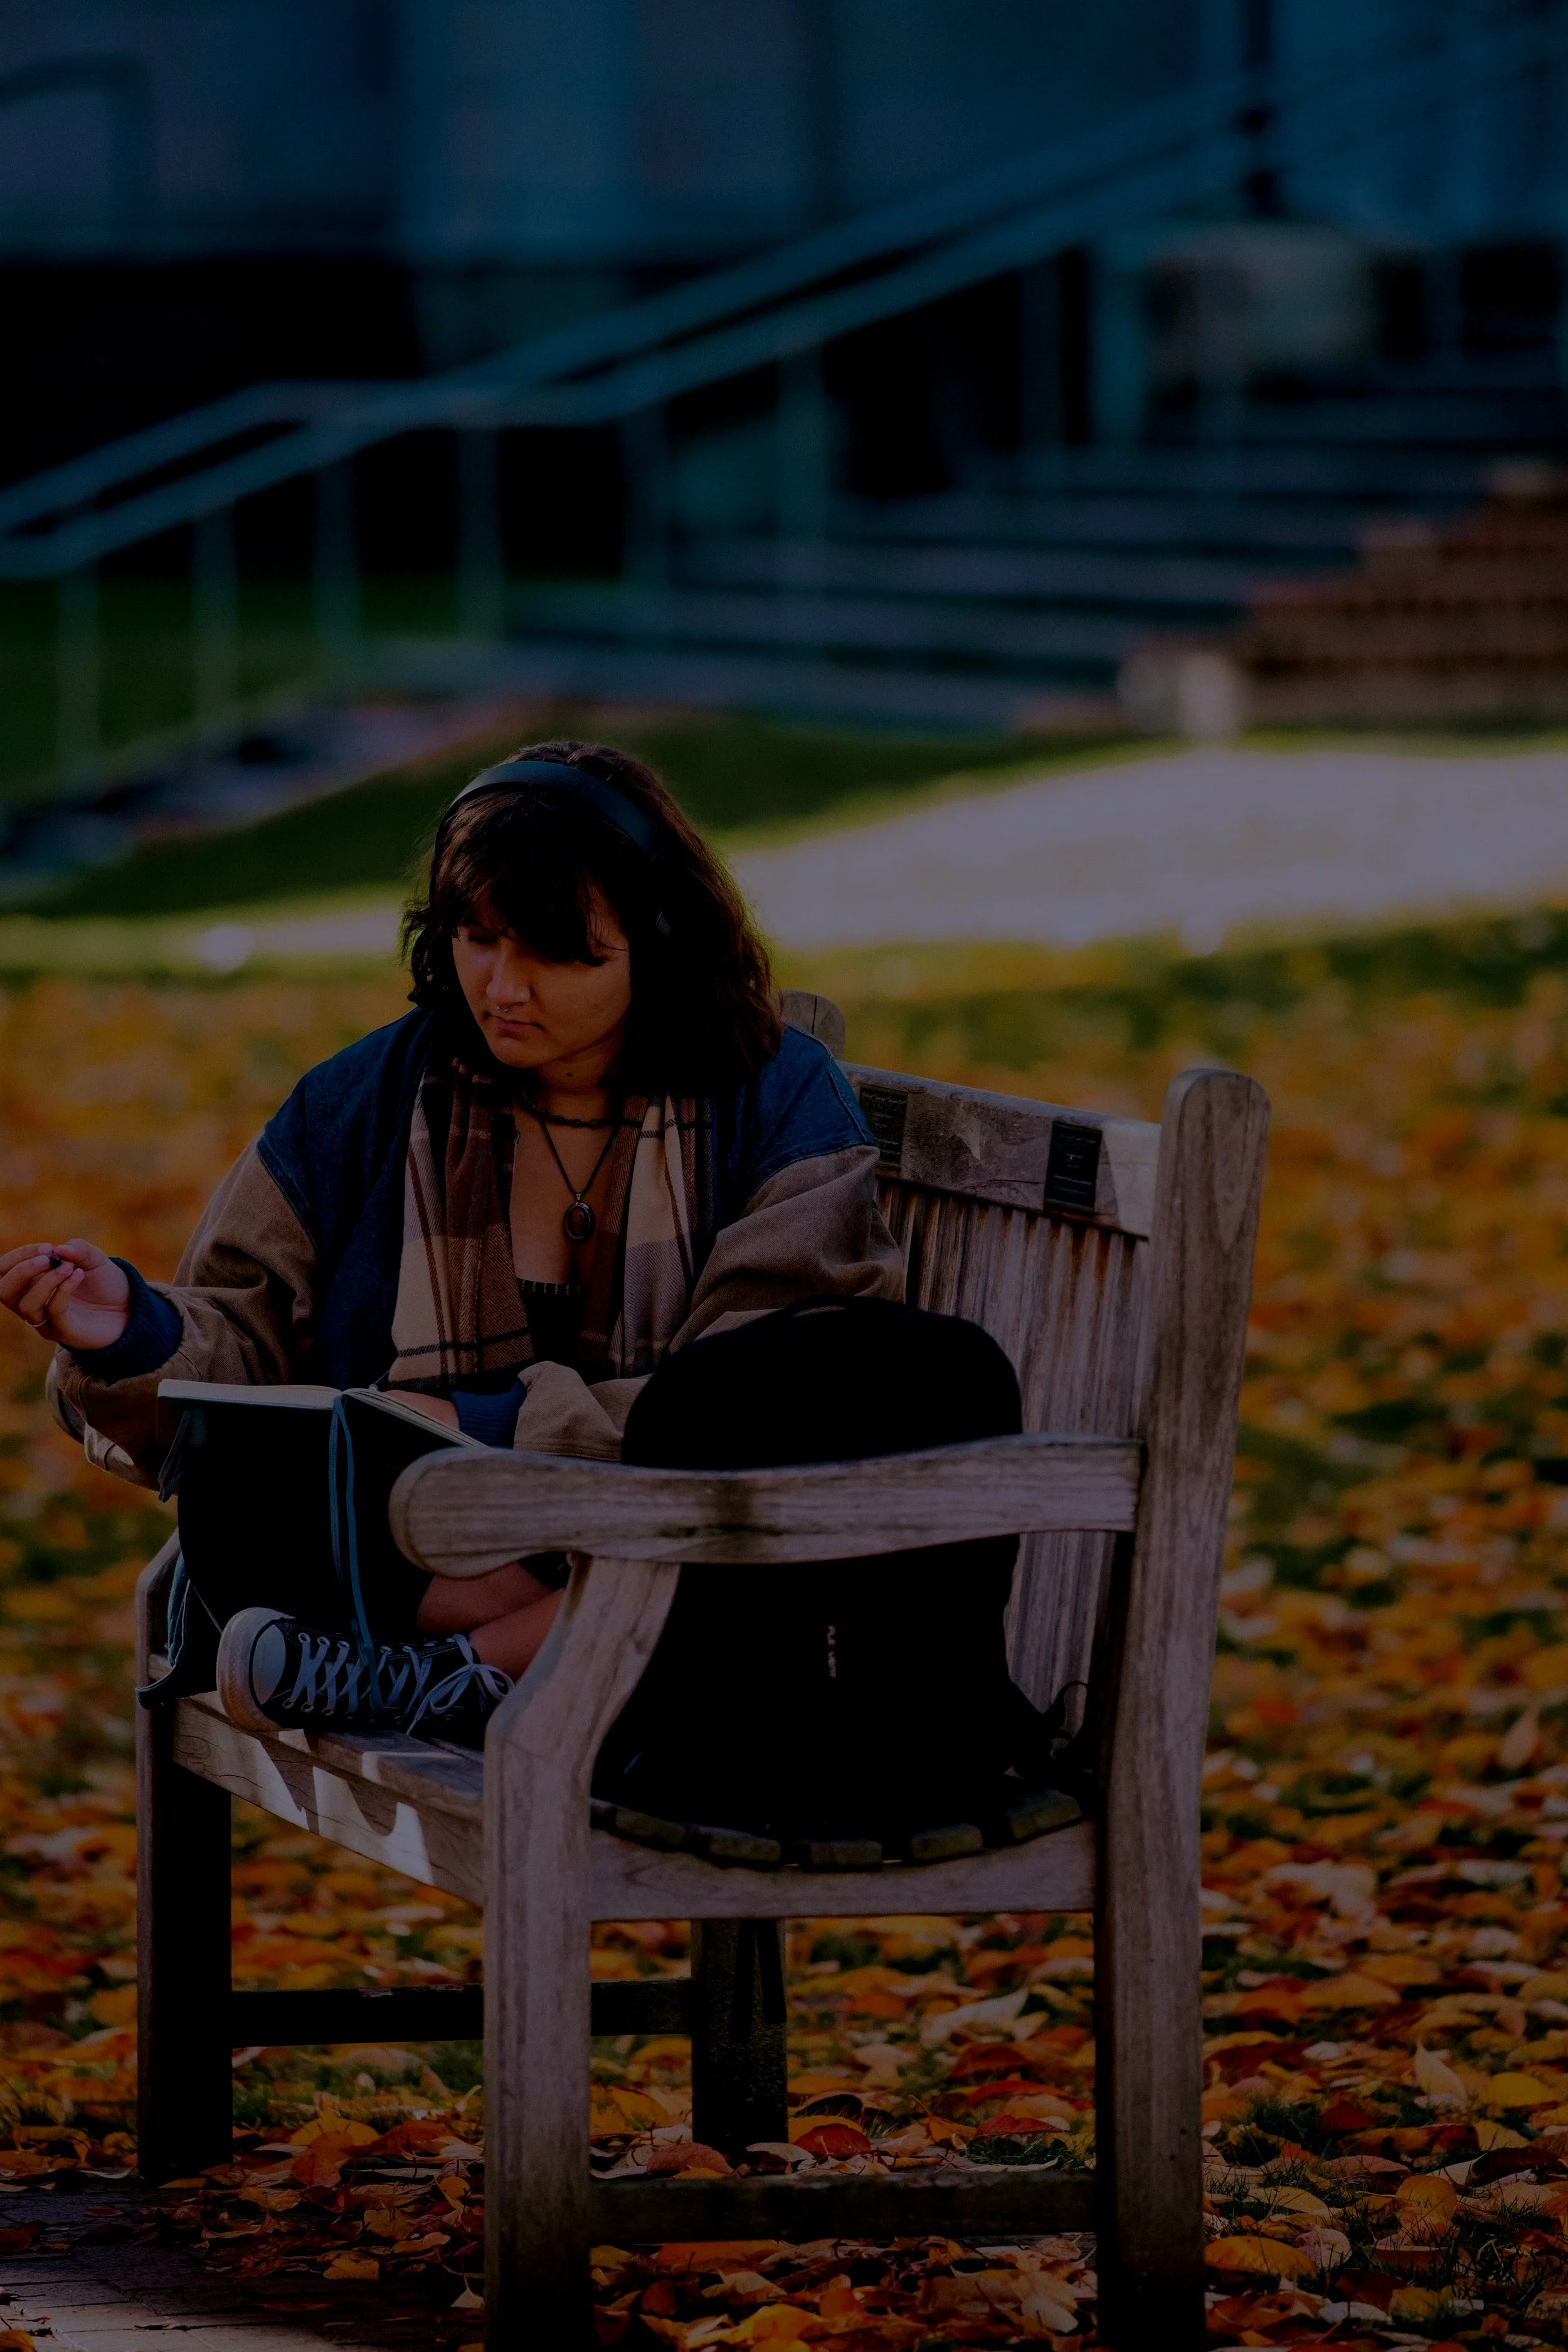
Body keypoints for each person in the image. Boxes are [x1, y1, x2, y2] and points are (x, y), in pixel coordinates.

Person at [0, 742, 903, 1745]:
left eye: (560, 953)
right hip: (446, 1555)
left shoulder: (776, 1098)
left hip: (684, 1543)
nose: (504, 987)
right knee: (252, 1515)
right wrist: (131, 1330)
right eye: (478, 938)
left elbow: (773, 1396)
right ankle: (478, 1662)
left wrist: (482, 1426)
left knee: (718, 1537)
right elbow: (242, 1379)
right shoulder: (361, 1106)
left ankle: (451, 1675)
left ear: (658, 941)